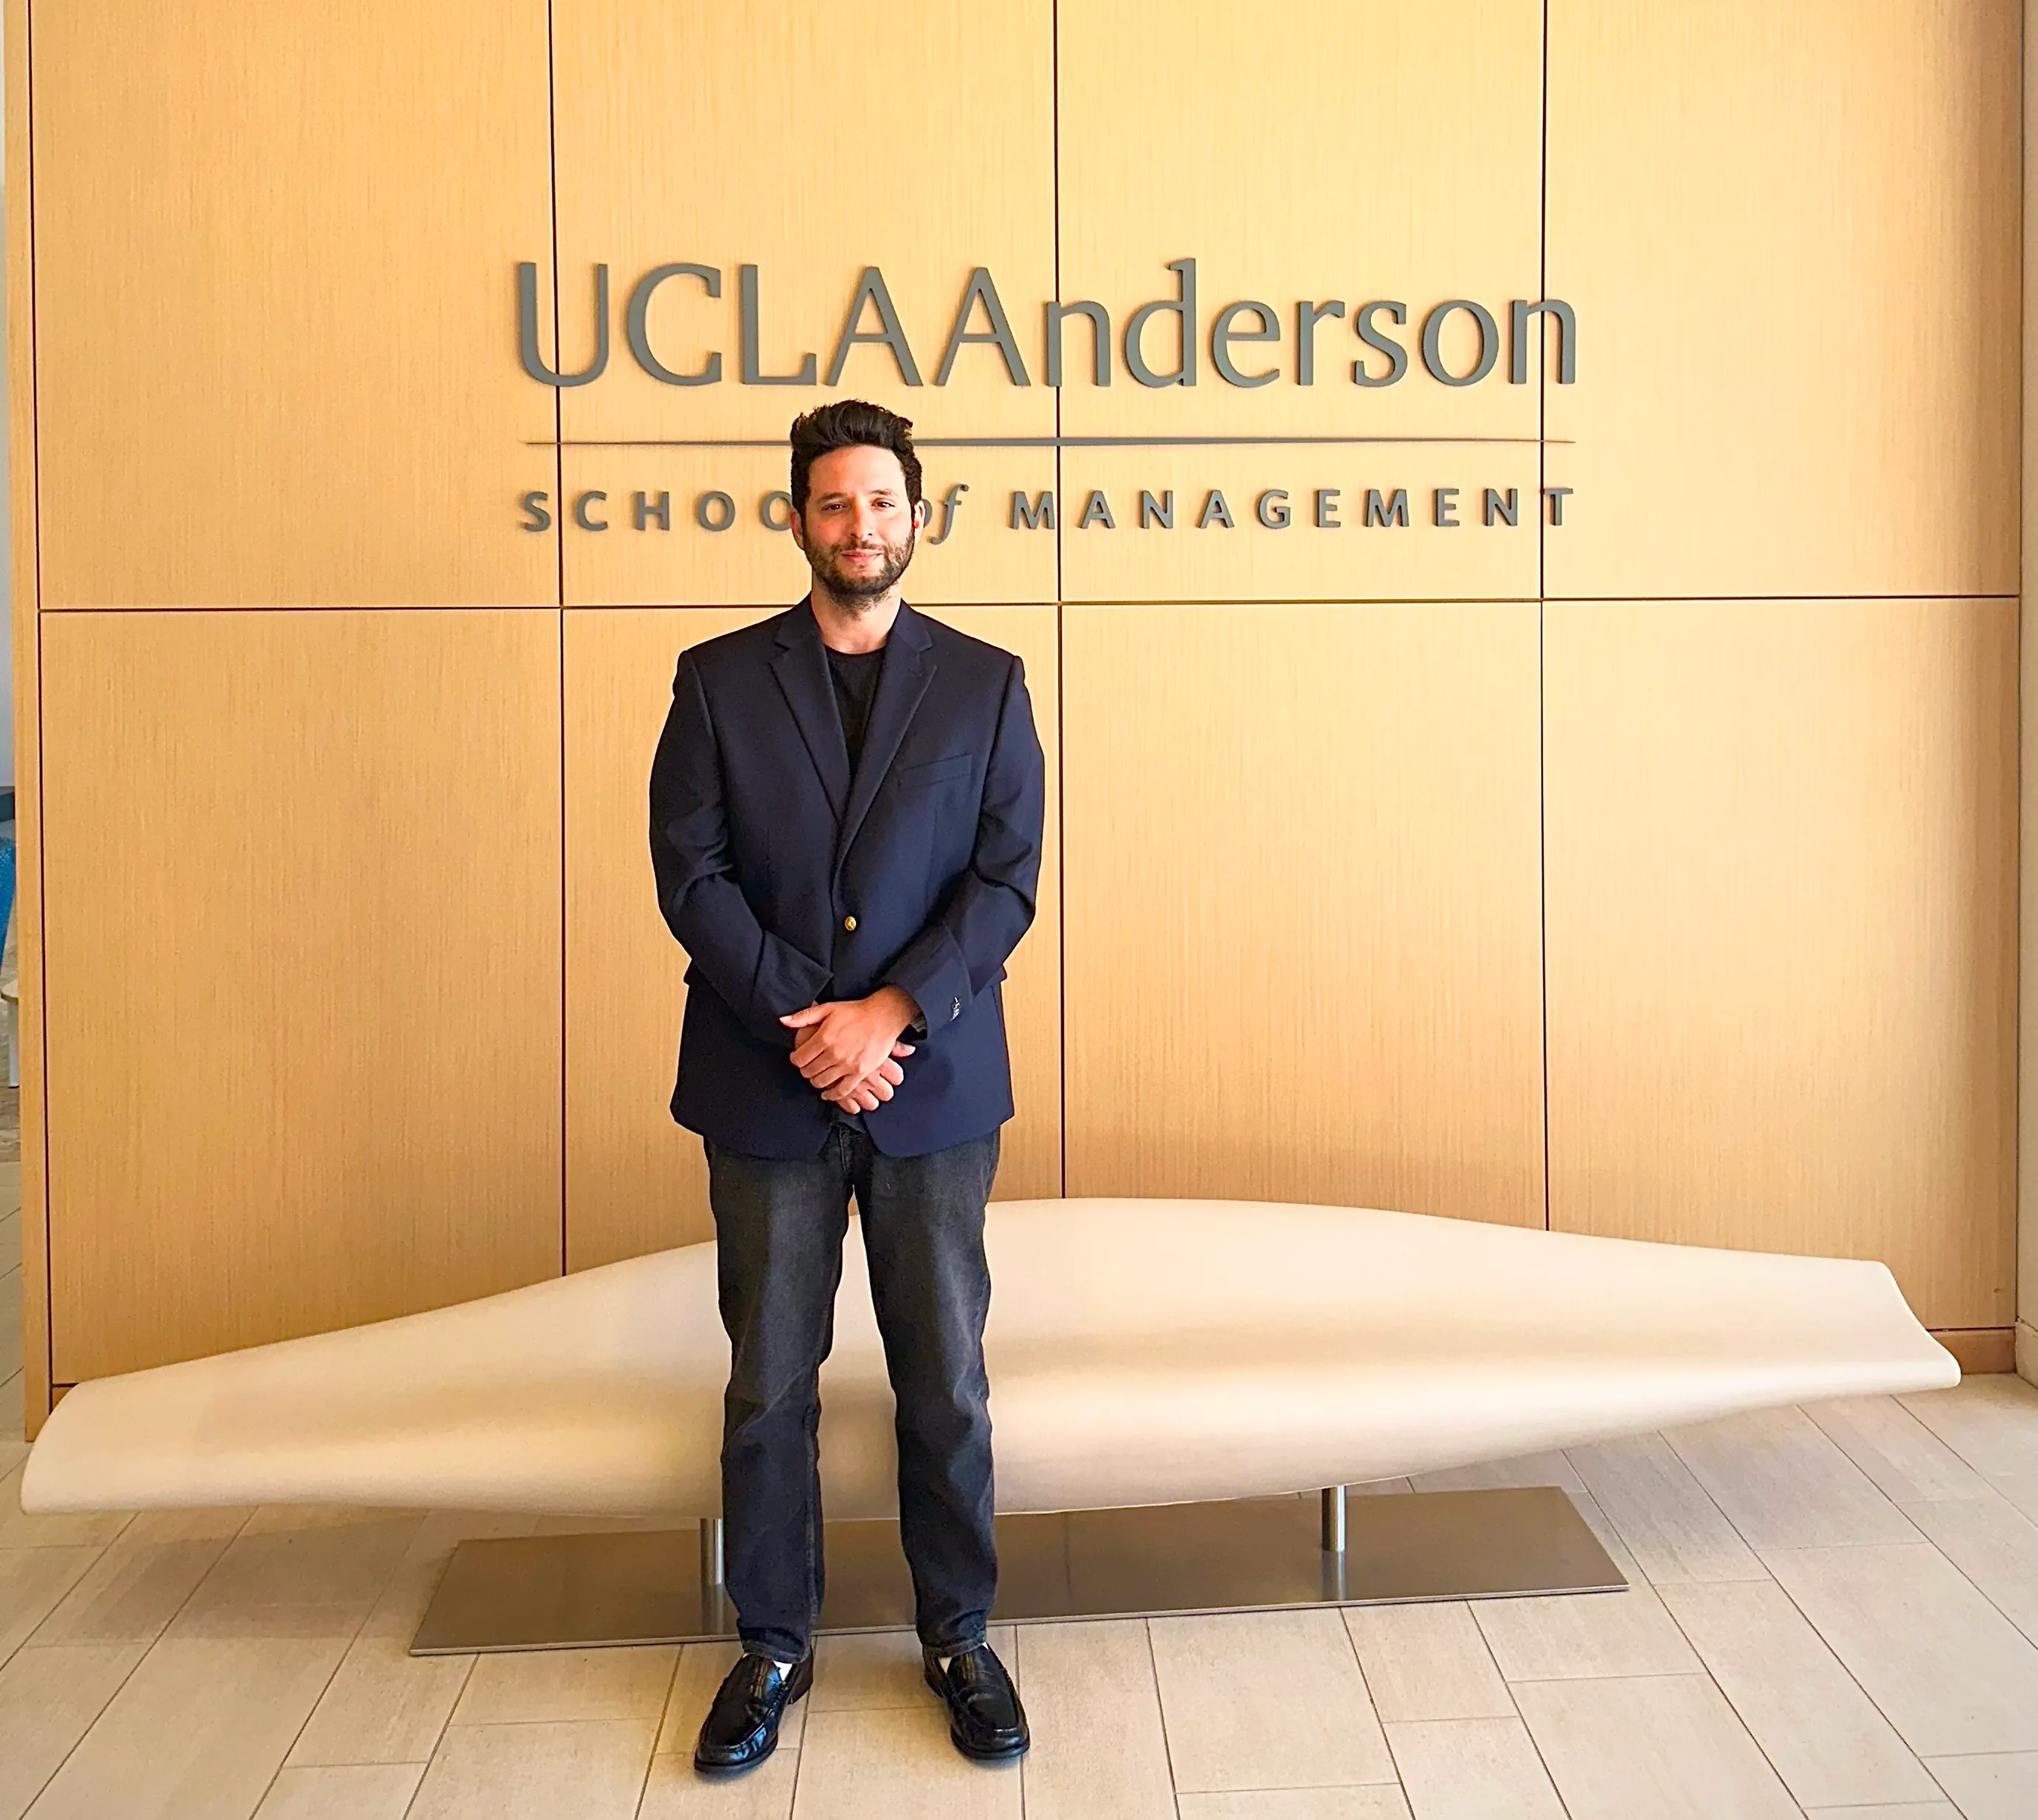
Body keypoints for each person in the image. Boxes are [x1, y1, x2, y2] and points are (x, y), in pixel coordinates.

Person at [649, 398, 1046, 1775]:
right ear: (799, 518)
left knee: (944, 1374)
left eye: (881, 502)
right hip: (768, 1083)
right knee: (768, 1380)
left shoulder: (987, 683)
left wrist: (889, 1014)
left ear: (916, 516)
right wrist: (804, 1021)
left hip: (931, 1087)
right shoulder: (714, 679)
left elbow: (1004, 882)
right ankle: (770, 1643)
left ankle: (958, 1633)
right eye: (832, 503)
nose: (858, 525)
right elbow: (687, 874)